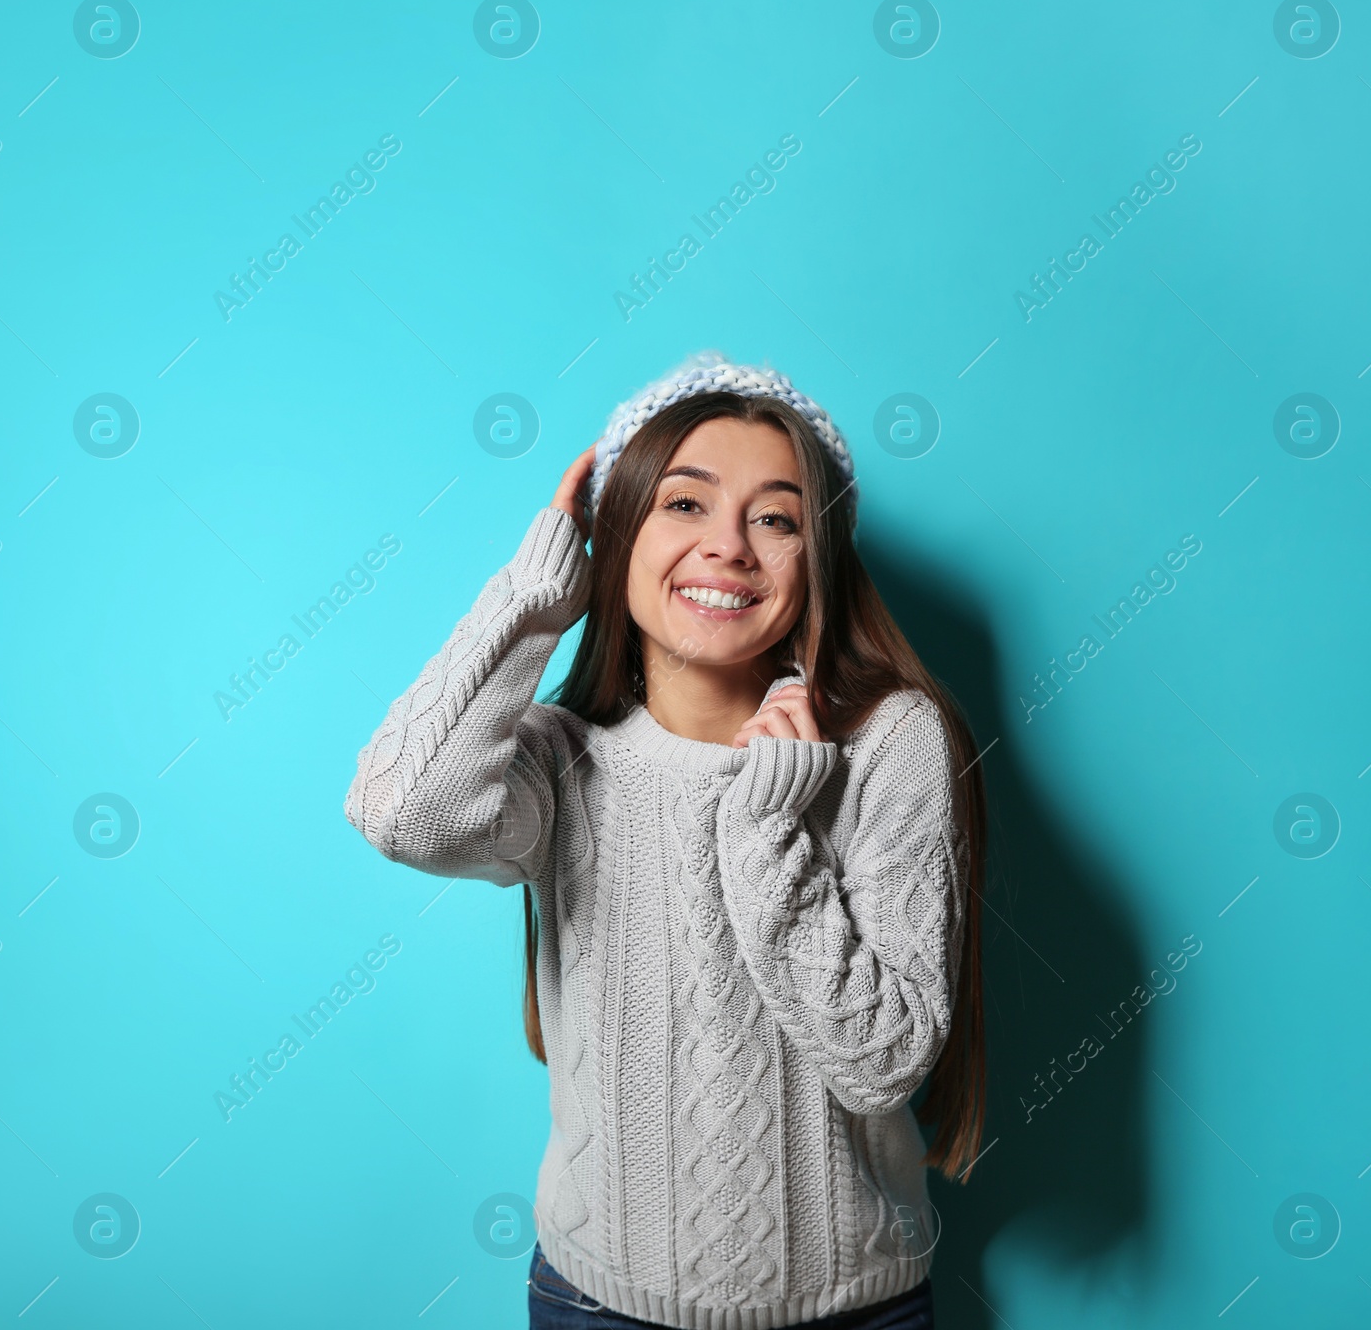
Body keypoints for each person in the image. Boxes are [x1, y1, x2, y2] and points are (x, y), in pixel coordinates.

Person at [344, 354, 989, 1330]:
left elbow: (884, 1063)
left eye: (774, 518)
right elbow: (399, 809)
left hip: (850, 1309)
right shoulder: (563, 760)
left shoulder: (888, 741)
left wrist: (769, 831)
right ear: (612, 535)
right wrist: (530, 600)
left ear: (818, 557)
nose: (727, 545)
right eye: (683, 505)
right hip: (596, 1303)